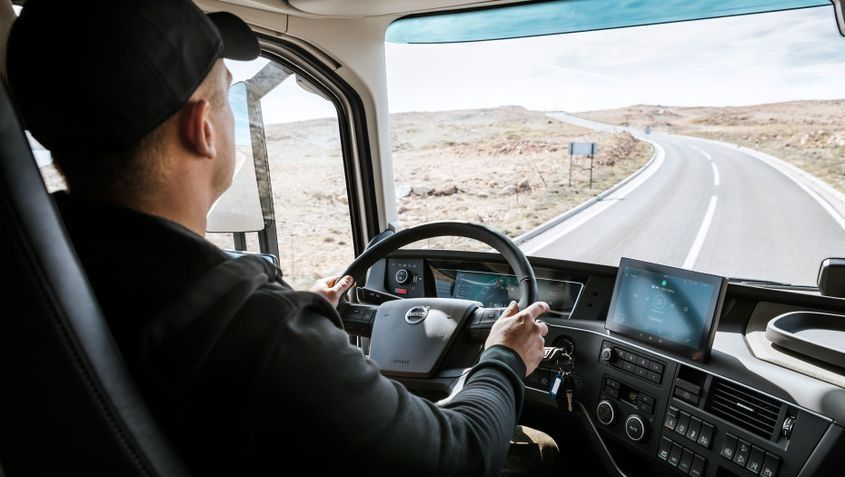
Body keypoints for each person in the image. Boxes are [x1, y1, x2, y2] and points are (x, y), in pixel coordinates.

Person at [6, 1, 560, 475]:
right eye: (227, 96)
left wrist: (301, 318)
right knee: (543, 452)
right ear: (201, 129)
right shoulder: (252, 329)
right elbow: (456, 457)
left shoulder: (46, 270)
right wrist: (504, 358)